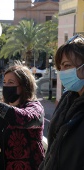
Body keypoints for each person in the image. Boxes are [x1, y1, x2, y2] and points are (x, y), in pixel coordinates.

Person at [39, 34, 84, 170]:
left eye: (67, 65)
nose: (62, 72)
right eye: (60, 67)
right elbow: (53, 151)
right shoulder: (67, 100)